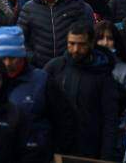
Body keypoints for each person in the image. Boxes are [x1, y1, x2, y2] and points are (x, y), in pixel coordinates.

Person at [0, 26, 76, 161]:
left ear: (22, 56)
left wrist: (56, 153)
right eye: (2, 58)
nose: (7, 63)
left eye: (12, 58)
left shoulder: (42, 81)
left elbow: (65, 122)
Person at [44, 22, 119, 160]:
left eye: (81, 44)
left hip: (90, 150)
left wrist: (106, 156)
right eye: (71, 43)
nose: (75, 49)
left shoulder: (103, 74)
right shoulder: (55, 68)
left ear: (91, 44)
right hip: (58, 149)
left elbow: (110, 118)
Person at [18, 0, 92, 68]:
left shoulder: (73, 6)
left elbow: (85, 33)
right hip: (38, 66)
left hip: (68, 65)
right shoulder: (29, 8)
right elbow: (20, 38)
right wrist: (31, 57)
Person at [95, 20, 126, 158]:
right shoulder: (84, 68)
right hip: (87, 136)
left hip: (116, 137)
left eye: (110, 38)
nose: (105, 43)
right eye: (100, 38)